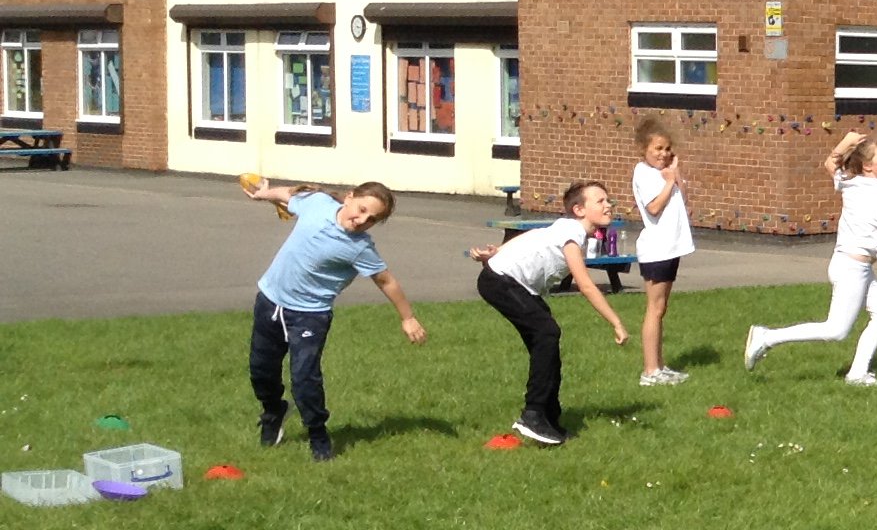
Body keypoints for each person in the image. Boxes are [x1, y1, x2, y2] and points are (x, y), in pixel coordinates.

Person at [243, 178, 427, 462]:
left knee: (305, 379)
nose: (362, 219)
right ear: (350, 197)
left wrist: (408, 318)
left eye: (371, 219)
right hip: (269, 301)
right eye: (362, 209)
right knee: (260, 370)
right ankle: (273, 411)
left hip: (309, 316)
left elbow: (386, 280)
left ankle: (318, 434)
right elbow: (290, 195)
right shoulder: (317, 204)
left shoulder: (359, 247)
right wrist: (265, 194)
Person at [744, 134, 877, 385]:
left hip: (856, 267)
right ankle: (766, 337)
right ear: (867, 166)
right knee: (836, 330)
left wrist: (846, 143)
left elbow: (830, 165)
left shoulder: (852, 183)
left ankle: (857, 373)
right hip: (851, 268)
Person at [472, 181, 632, 446]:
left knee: (546, 341)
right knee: (547, 333)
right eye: (601, 201)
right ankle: (532, 414)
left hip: (511, 283)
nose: (608, 205)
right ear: (579, 209)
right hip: (500, 281)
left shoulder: (565, 227)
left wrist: (497, 251)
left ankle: (548, 417)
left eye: (608, 200)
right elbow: (585, 285)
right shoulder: (573, 234)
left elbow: (533, 235)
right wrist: (616, 322)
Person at [630, 119, 694, 386]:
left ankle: (659, 365)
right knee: (654, 309)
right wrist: (669, 182)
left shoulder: (664, 173)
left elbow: (684, 200)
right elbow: (654, 208)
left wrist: (675, 175)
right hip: (656, 250)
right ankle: (649, 371)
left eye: (667, 148)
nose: (663, 154)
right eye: (657, 148)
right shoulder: (643, 173)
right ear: (644, 149)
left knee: (661, 308)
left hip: (671, 248)